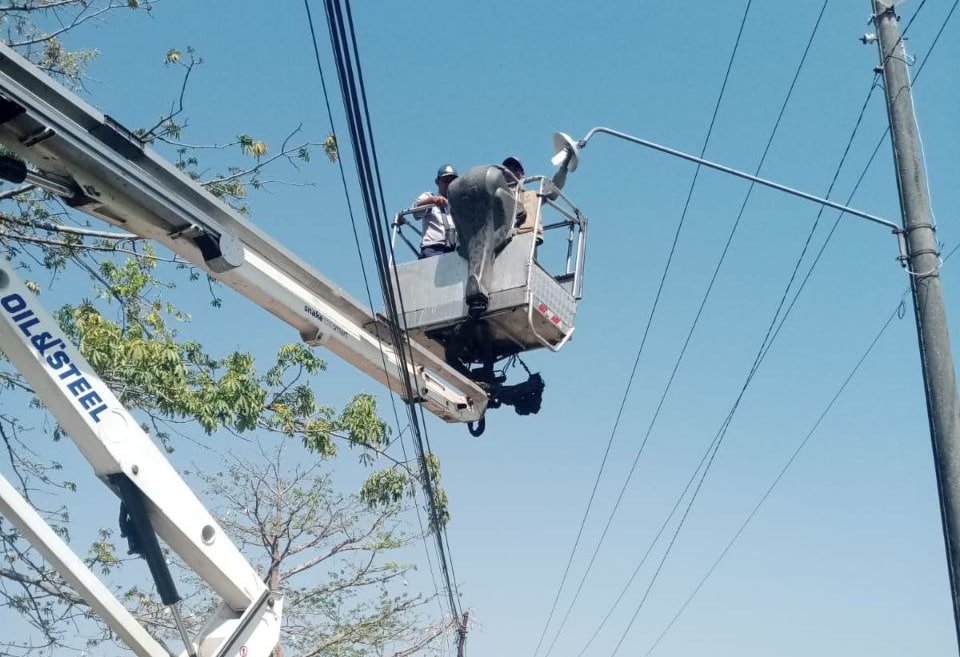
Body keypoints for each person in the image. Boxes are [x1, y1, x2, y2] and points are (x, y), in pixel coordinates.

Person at [413, 164, 458, 258]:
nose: (449, 184)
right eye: (445, 181)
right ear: (437, 182)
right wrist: (433, 200)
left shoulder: (458, 205)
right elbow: (416, 211)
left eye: (452, 181)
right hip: (433, 249)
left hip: (454, 250)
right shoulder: (429, 196)